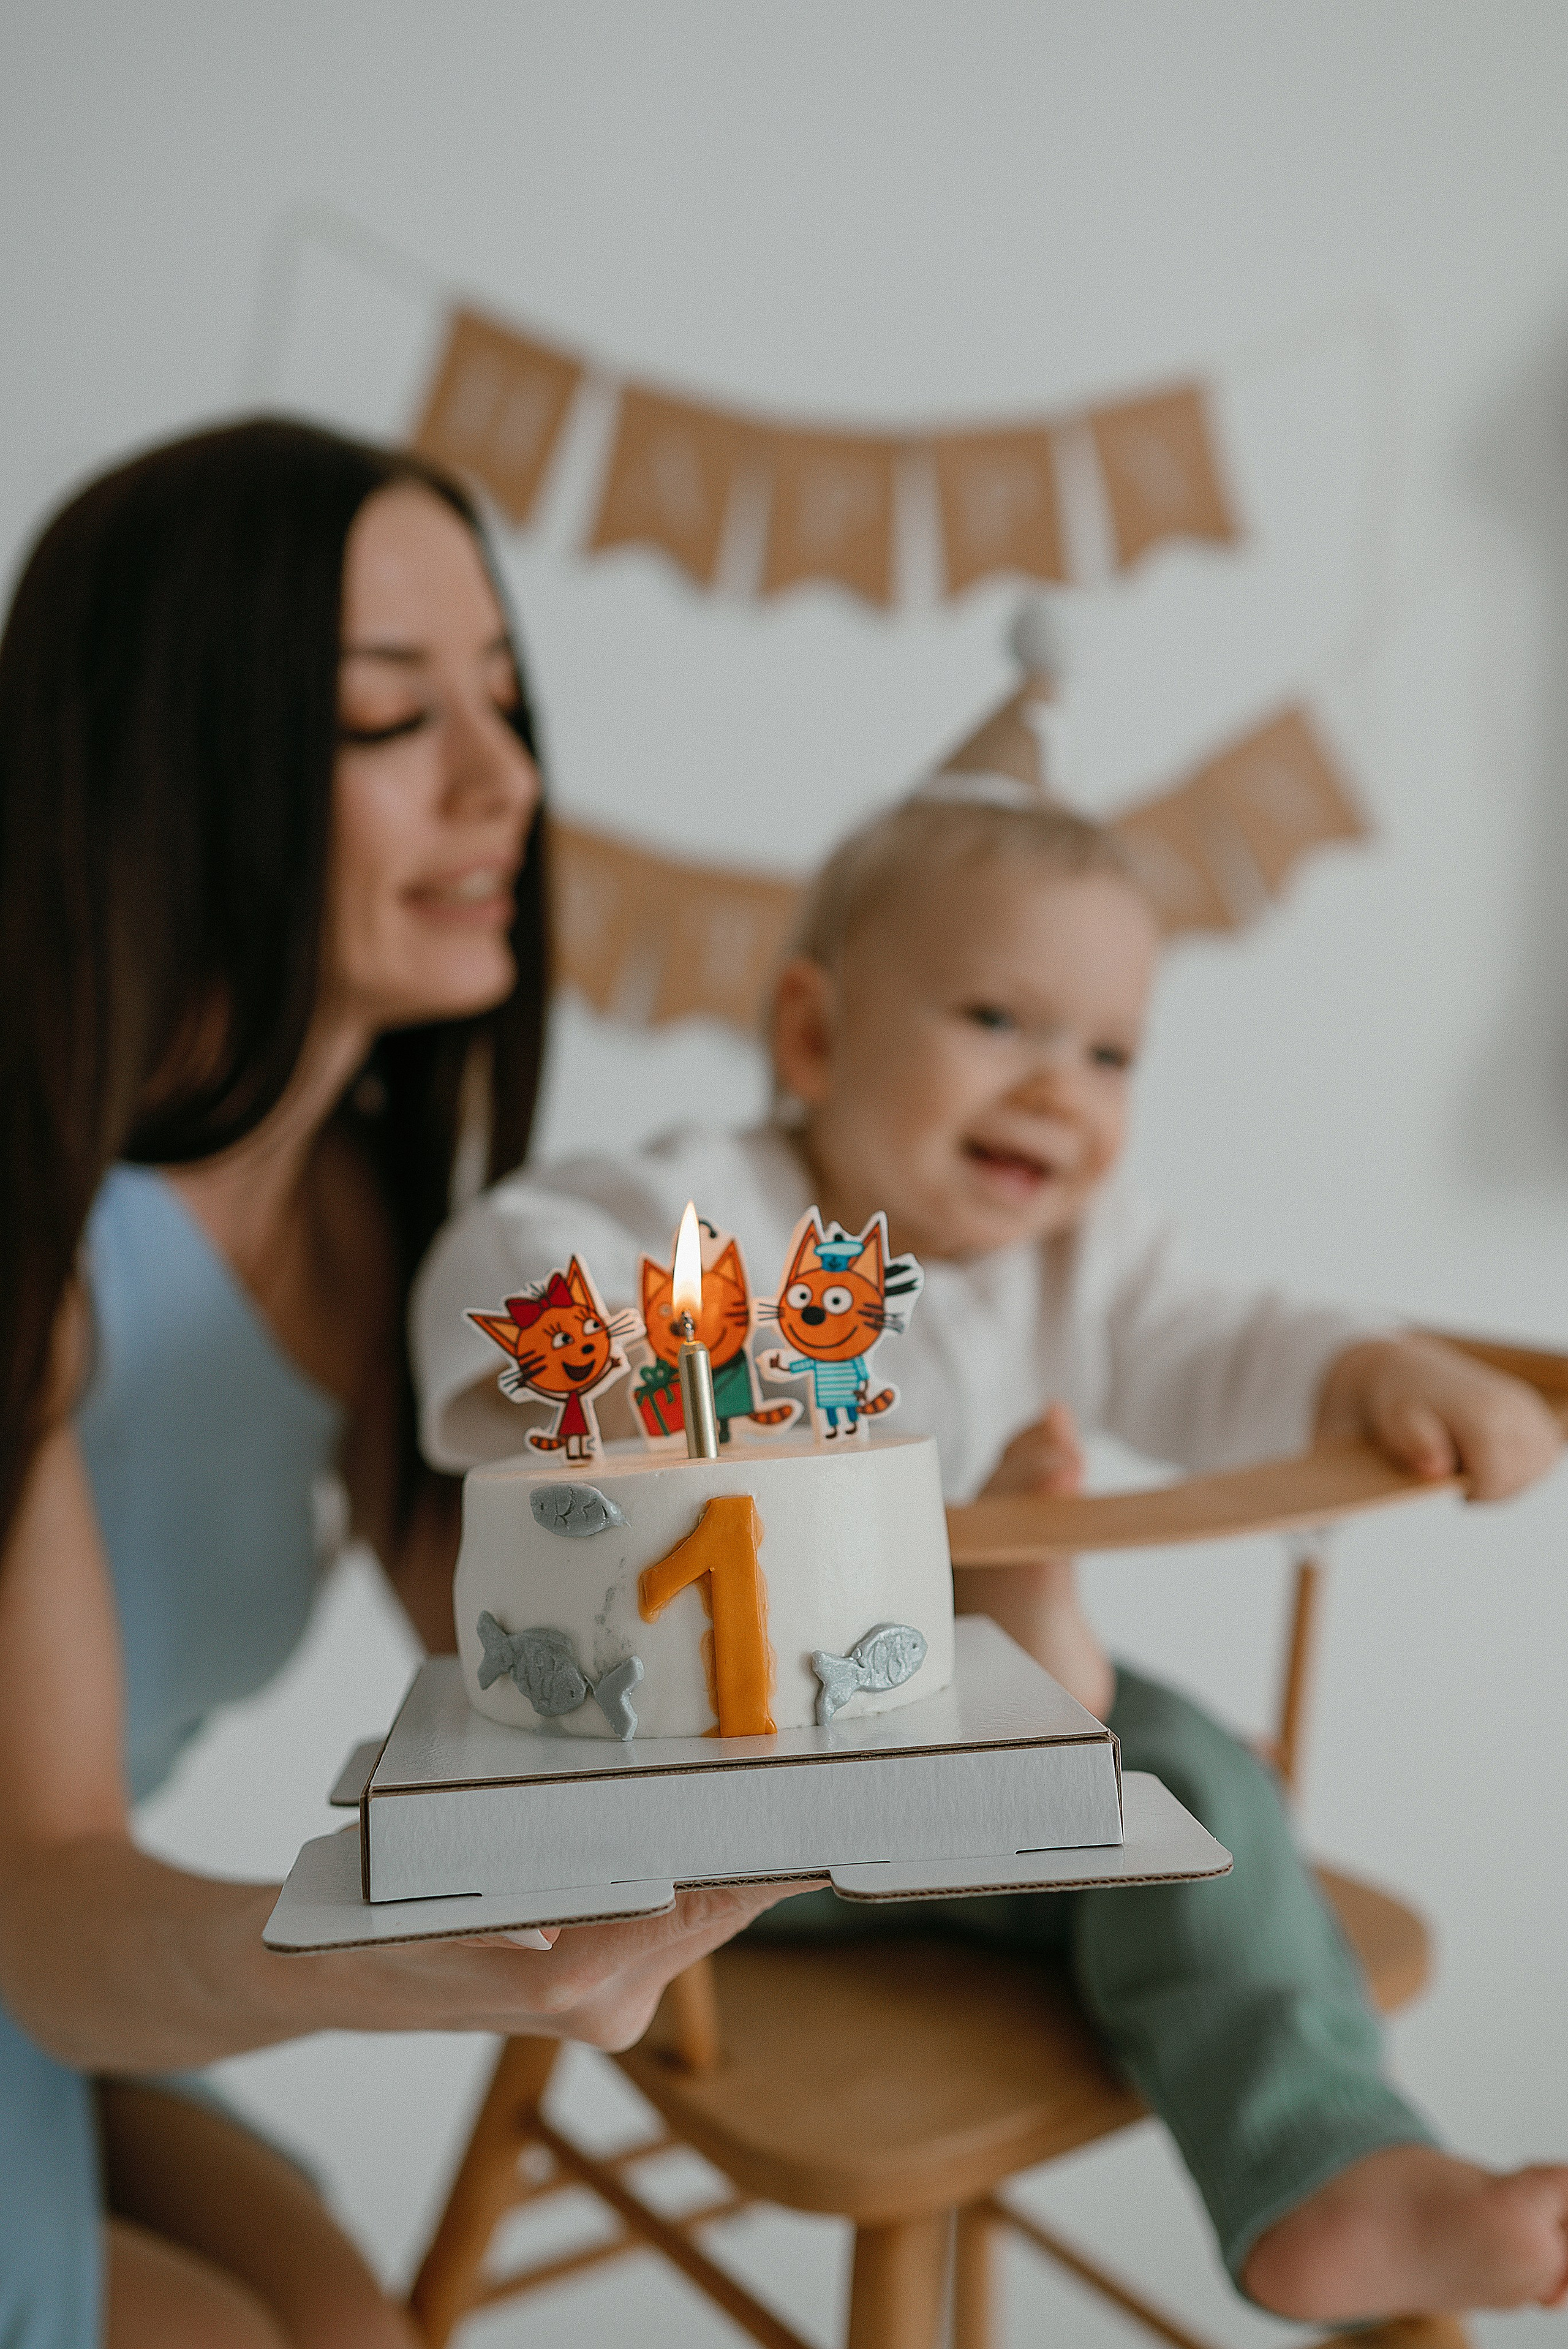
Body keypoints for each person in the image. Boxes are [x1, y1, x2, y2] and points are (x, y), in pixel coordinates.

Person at [413, 788, 1568, 2323]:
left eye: (1107, 1053)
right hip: (714, 1817)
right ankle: (1026, 1648)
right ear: (814, 1039)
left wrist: (1372, 1381)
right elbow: (505, 1254)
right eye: (997, 1017)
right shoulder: (717, 1212)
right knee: (1093, 1734)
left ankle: (1325, 2170)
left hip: (958, 1795)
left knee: (1198, 1789)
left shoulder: (1078, 1264)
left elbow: (1228, 1342)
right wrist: (640, 1362)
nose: (1056, 1087)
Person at [0, 419, 783, 2349]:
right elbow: (48, 1903)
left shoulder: (368, 1232)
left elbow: (535, 1647)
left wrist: (733, 1498)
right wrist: (394, 1948)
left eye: (504, 703)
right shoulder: (34, 1229)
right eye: (387, 720)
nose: (507, 781)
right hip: (49, 1948)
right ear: (168, 768)